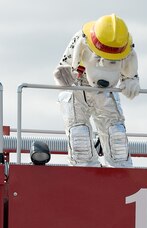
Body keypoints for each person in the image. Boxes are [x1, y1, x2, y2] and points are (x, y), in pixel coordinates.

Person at [54, 13, 140, 167]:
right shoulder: (80, 39)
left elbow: (130, 69)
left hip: (107, 91)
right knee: (78, 134)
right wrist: (65, 74)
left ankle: (120, 170)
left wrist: (130, 80)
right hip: (78, 87)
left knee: (116, 134)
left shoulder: (126, 49)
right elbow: (65, 67)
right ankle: (84, 169)